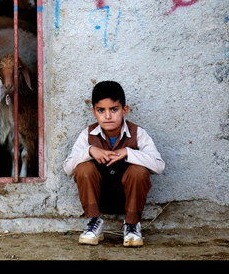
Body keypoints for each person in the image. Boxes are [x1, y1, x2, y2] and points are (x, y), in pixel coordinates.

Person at [63, 81, 165, 247]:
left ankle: (131, 225)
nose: (108, 116)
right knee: (83, 167)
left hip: (129, 198)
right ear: (94, 112)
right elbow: (67, 168)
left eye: (114, 109)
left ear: (125, 110)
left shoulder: (138, 133)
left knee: (139, 170)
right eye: (101, 110)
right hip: (97, 198)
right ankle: (94, 223)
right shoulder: (87, 135)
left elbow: (159, 166)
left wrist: (129, 153)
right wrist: (89, 151)